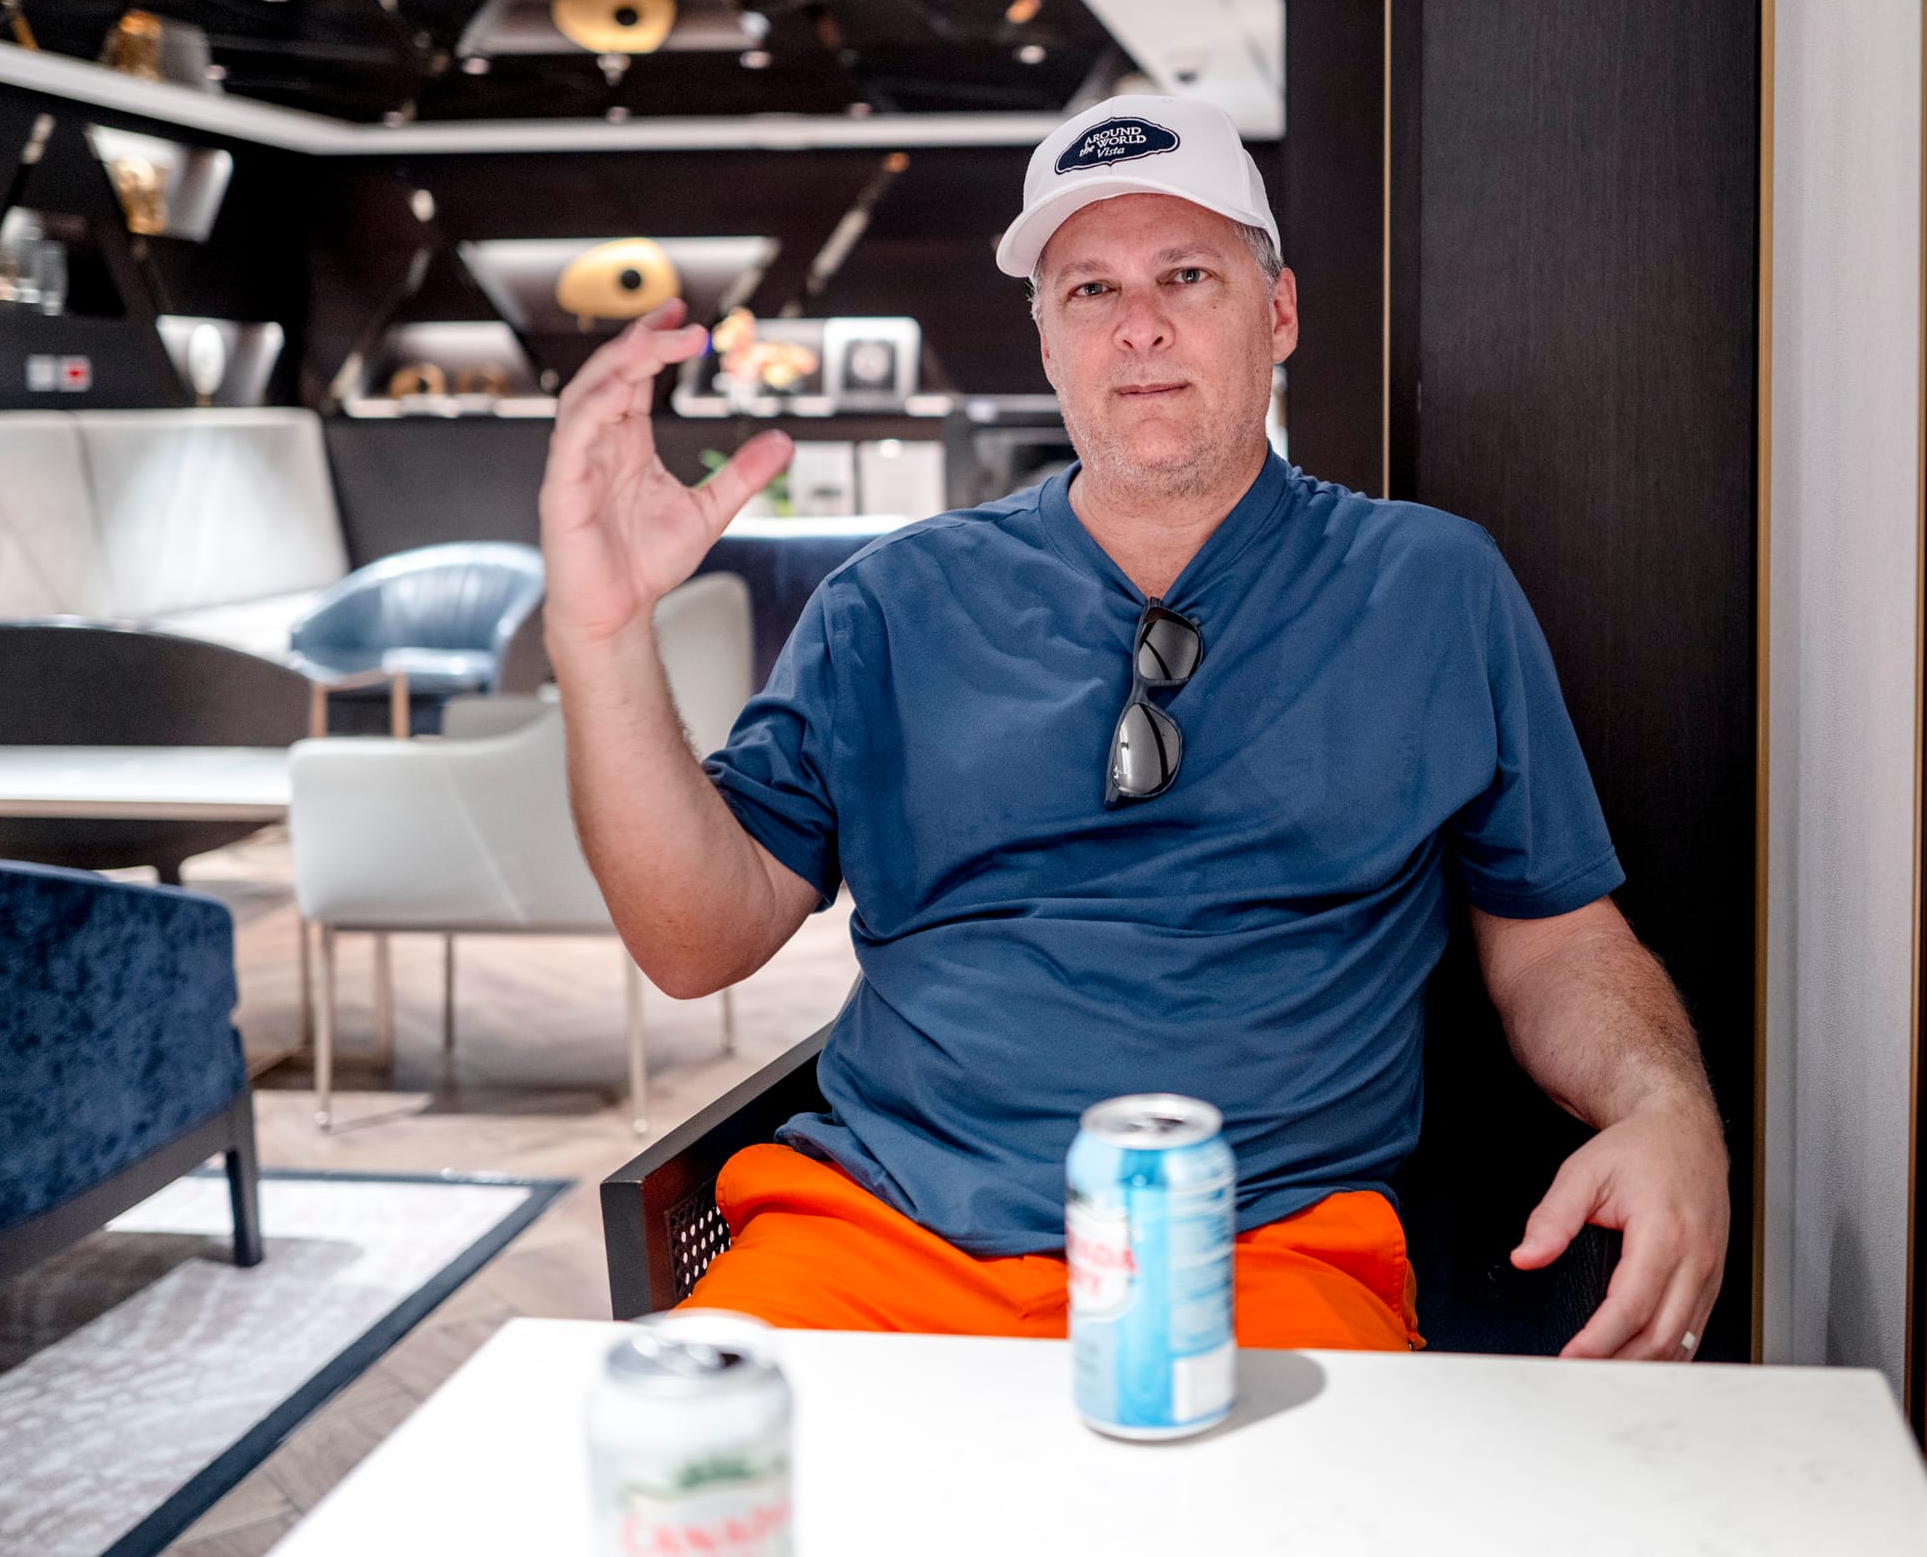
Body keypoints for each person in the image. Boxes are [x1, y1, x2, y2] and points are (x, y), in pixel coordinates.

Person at [537, 94, 1730, 1359]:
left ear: (1278, 312)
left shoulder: (1430, 585)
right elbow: (694, 940)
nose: (1138, 323)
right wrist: (600, 638)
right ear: (1047, 341)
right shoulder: (889, 602)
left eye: (1185, 274)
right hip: (879, 1235)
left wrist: (1664, 1106)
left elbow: (1555, 938)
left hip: (1258, 1252)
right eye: (1090, 289)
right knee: (688, 1467)